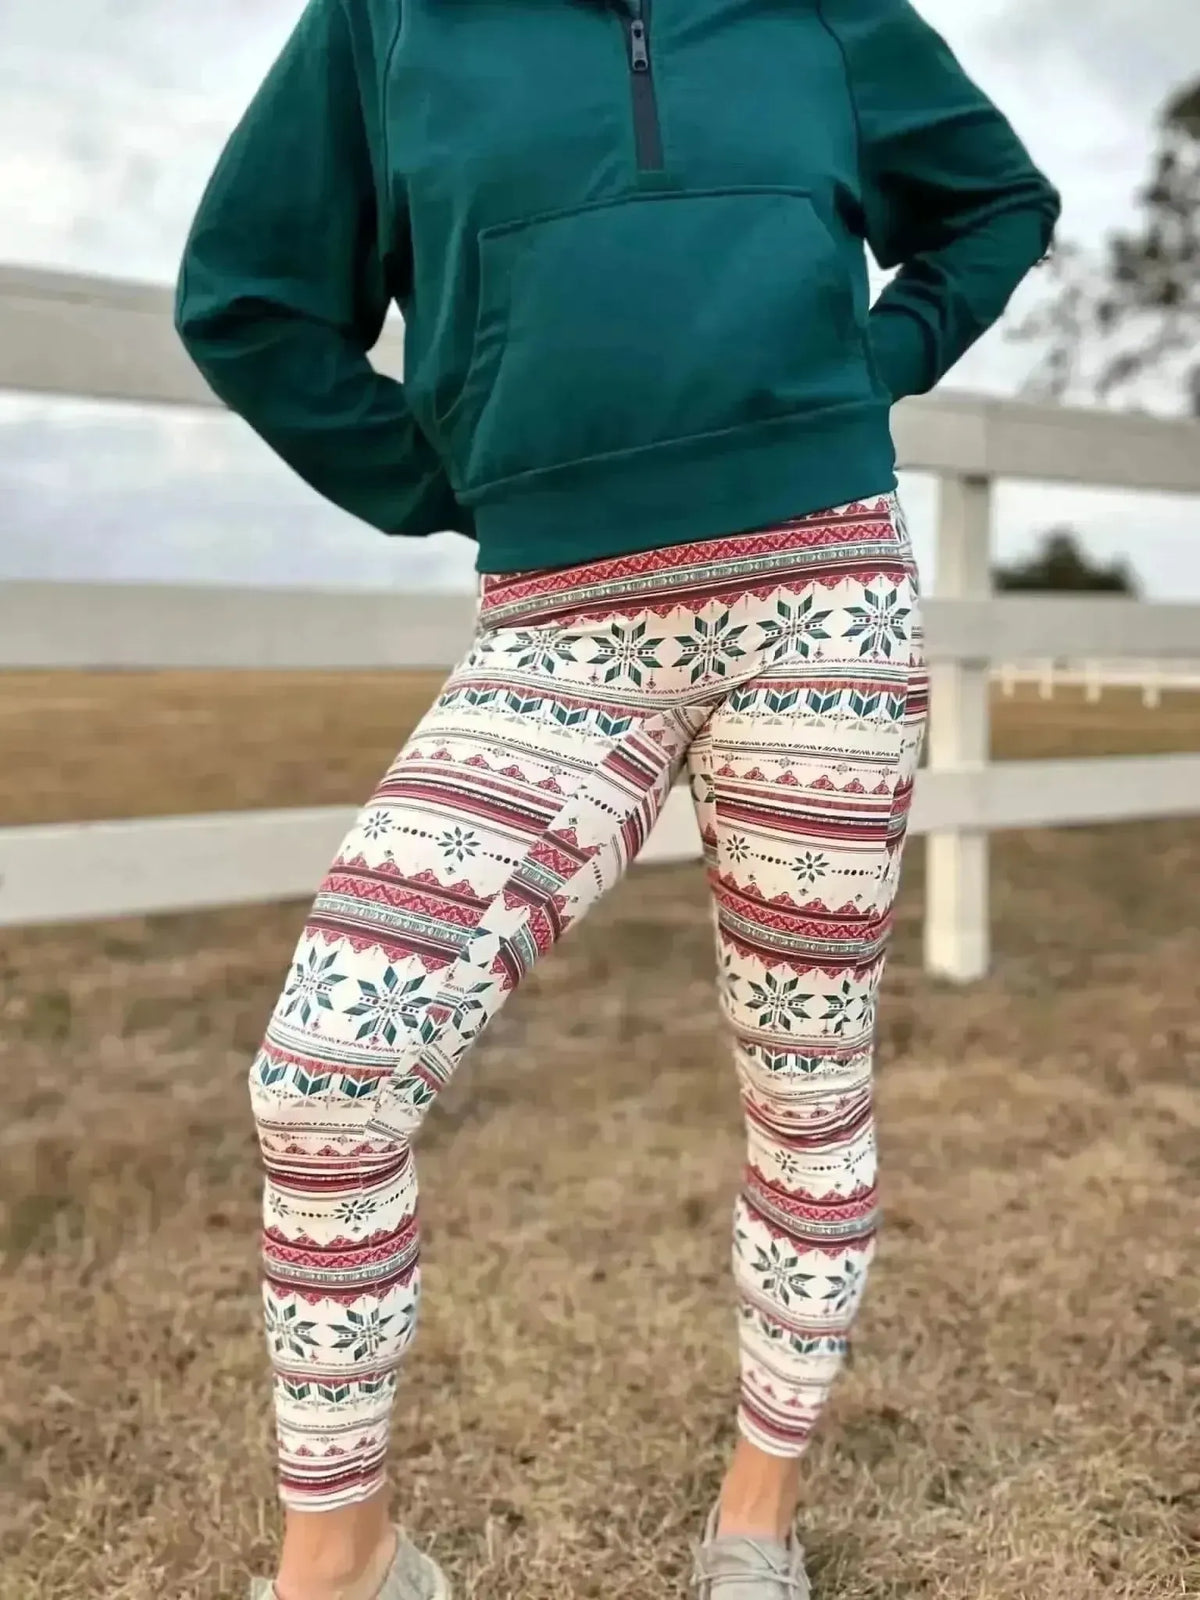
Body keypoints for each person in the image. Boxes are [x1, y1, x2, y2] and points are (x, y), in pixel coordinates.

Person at [175, 0, 1058, 1595]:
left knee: (806, 1086)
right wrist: (451, 465)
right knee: (326, 1072)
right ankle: (346, 1565)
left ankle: (754, 1524)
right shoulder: (387, 21)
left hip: (825, 601)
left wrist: (867, 363)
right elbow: (247, 301)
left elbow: (999, 202)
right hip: (558, 623)